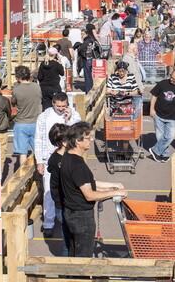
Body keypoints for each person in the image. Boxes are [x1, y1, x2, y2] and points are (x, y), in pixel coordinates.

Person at [60, 122, 127, 257]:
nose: (92, 140)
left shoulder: (68, 157)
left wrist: (113, 185)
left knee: (74, 251)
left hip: (70, 212)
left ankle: (72, 275)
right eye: (88, 137)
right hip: (81, 216)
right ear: (78, 141)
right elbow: (89, 195)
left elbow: (87, 183)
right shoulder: (78, 165)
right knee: (84, 255)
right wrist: (116, 192)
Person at [35, 92, 81, 238]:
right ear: (53, 103)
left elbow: (78, 135)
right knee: (48, 191)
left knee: (70, 190)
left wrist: (69, 120)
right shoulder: (44, 116)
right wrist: (39, 161)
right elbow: (39, 138)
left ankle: (68, 220)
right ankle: (48, 223)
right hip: (50, 158)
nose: (61, 109)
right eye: (58, 106)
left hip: (69, 159)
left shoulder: (74, 115)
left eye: (64, 106)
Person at [46, 123, 71, 256]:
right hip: (63, 206)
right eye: (70, 138)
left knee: (69, 241)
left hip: (62, 205)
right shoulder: (59, 162)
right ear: (62, 142)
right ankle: (64, 273)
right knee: (67, 243)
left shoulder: (60, 157)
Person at [11, 66, 42, 166]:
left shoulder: (16, 90)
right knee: (37, 151)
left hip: (21, 122)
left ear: (17, 77)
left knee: (22, 152)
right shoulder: (36, 87)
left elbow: (13, 103)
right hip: (35, 121)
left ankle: (23, 174)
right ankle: (37, 175)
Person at [76, 29, 100, 93]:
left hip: (87, 59)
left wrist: (79, 45)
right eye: (81, 34)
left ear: (86, 34)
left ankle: (88, 90)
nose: (82, 35)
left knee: (87, 75)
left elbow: (80, 49)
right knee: (89, 74)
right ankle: (91, 87)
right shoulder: (91, 40)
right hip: (92, 58)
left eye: (83, 34)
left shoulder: (86, 41)